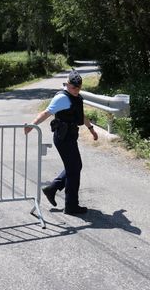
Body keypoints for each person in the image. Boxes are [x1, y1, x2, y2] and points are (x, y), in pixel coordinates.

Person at [24, 69, 98, 215]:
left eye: (78, 88)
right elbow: (46, 113)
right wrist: (32, 125)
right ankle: (71, 206)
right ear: (67, 84)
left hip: (70, 136)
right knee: (74, 170)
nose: (76, 90)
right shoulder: (62, 98)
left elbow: (81, 115)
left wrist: (91, 129)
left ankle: (52, 189)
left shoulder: (76, 97)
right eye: (73, 88)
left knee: (75, 167)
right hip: (62, 138)